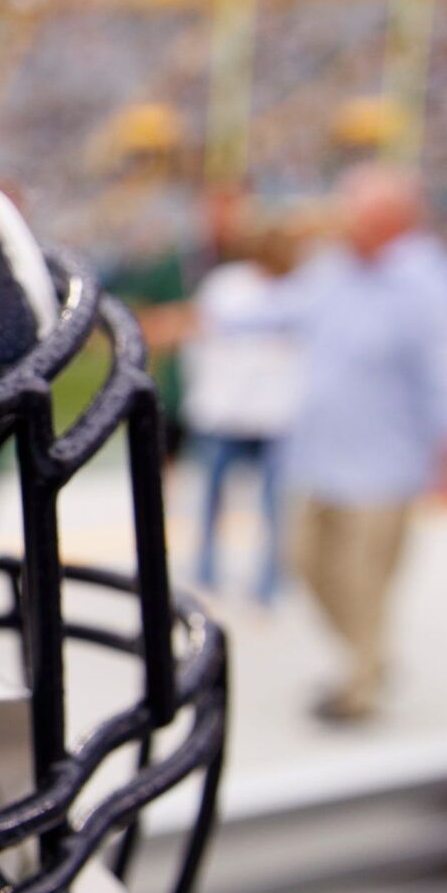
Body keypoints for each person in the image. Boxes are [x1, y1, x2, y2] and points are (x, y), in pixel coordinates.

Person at [283, 163, 447, 725]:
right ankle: (368, 656)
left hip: (385, 465)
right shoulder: (331, 271)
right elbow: (284, 311)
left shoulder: (429, 281)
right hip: (320, 456)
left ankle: (361, 686)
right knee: (305, 563)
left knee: (365, 578)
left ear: (389, 218)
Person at [183, 208, 306, 607]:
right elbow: (206, 339)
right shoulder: (228, 285)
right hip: (226, 410)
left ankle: (269, 581)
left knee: (275, 506)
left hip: (278, 415)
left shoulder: (303, 289)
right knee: (213, 498)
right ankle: (206, 570)